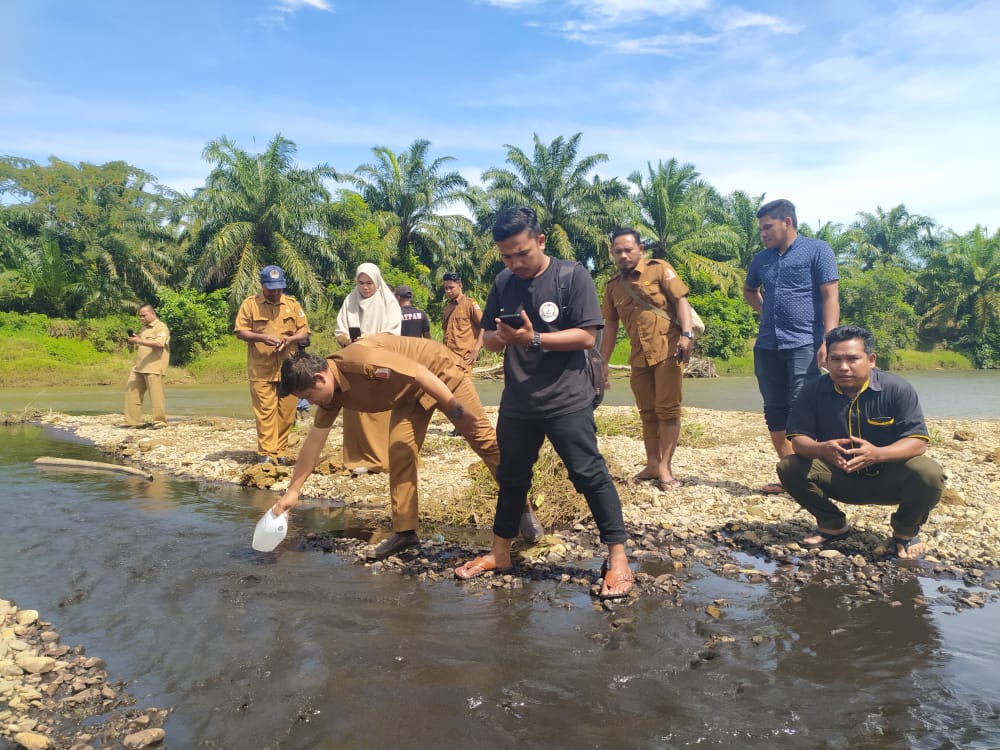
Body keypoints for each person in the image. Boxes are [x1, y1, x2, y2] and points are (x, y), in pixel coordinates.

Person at [454, 206, 634, 600]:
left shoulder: (572, 276)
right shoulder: (503, 281)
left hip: (567, 397)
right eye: (506, 256)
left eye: (522, 253)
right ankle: (500, 552)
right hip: (518, 402)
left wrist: (534, 340)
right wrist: (504, 337)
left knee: (588, 474)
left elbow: (587, 337)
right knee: (511, 478)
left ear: (540, 241)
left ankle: (618, 558)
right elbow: (487, 339)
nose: (515, 262)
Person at [271, 334, 500, 560]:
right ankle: (405, 533)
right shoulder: (331, 396)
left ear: (320, 379)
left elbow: (420, 373)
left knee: (483, 440)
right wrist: (292, 492)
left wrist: (455, 409)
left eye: (309, 396)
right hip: (409, 394)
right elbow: (314, 441)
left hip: (439, 371)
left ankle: (520, 505)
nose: (310, 403)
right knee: (399, 451)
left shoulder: (362, 361)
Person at [776, 325, 944, 559]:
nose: (843, 367)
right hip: (838, 476)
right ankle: (832, 523)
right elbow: (798, 441)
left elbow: (917, 442)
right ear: (826, 361)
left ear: (871, 359)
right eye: (835, 359)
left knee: (928, 473)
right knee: (789, 466)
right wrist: (821, 449)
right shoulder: (812, 391)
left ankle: (906, 532)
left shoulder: (897, 389)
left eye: (852, 359)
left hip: (888, 479)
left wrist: (877, 454)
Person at [744, 198, 840, 495]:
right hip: (768, 344)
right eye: (760, 229)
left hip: (804, 342)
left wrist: (828, 339)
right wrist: (767, 314)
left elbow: (830, 297)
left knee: (803, 405)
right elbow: (750, 291)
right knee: (774, 406)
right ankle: (791, 474)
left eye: (767, 227)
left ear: (787, 222)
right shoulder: (762, 259)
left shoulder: (817, 250)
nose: (763, 233)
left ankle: (818, 473)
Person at [600, 228, 694, 490]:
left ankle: (665, 467)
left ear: (640, 249)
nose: (623, 255)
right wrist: (603, 362)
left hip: (668, 349)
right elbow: (609, 325)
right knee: (647, 412)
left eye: (628, 250)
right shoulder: (612, 287)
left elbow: (681, 301)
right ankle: (652, 464)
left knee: (668, 409)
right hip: (638, 357)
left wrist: (686, 335)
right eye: (617, 251)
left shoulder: (659, 269)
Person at [234, 265, 310, 464]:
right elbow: (240, 331)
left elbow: (304, 331)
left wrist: (291, 339)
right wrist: (260, 337)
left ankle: (281, 451)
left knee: (287, 412)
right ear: (262, 285)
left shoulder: (293, 305)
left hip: (289, 368)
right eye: (271, 289)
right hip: (262, 368)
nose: (275, 293)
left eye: (279, 289)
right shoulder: (250, 305)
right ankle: (267, 453)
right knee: (266, 412)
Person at [334, 263, 402, 474]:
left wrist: (371, 339)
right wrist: (346, 339)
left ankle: (381, 460)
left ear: (377, 282)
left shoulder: (388, 302)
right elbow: (339, 329)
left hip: (380, 362)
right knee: (355, 410)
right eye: (361, 283)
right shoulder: (350, 300)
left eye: (369, 283)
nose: (365, 287)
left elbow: (393, 333)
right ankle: (356, 459)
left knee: (379, 411)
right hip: (354, 363)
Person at [122, 303, 170, 429]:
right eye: (140, 316)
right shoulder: (144, 328)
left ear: (152, 313)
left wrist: (139, 341)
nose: (141, 318)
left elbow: (159, 343)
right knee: (131, 392)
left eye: (143, 315)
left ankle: (160, 421)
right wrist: (136, 339)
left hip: (154, 366)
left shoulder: (161, 327)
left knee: (156, 396)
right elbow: (142, 343)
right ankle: (132, 421)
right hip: (139, 366)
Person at [441, 271, 483, 372]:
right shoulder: (447, 308)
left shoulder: (470, 304)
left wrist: (475, 351)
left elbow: (485, 327)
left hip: (464, 359)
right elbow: (446, 332)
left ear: (460, 285)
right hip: (448, 359)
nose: (448, 291)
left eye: (451, 287)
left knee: (464, 387)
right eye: (446, 288)